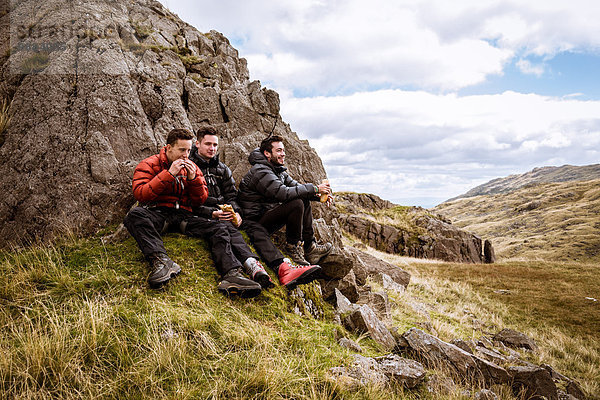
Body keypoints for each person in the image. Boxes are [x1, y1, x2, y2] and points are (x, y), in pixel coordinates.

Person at [124, 128, 262, 298]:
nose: (186, 155)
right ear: (168, 148)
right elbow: (141, 194)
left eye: (189, 150)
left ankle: (232, 274)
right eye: (182, 150)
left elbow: (199, 200)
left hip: (184, 216)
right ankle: (161, 262)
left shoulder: (193, 168)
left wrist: (193, 180)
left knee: (219, 229)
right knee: (134, 216)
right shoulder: (149, 164)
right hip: (157, 213)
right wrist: (169, 174)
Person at [238, 134, 333, 289]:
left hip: (267, 215)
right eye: (279, 151)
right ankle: (293, 246)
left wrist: (319, 195)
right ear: (267, 154)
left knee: (302, 198)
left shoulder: (277, 170)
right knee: (296, 203)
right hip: (254, 221)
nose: (283, 154)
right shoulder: (261, 171)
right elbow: (282, 193)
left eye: (283, 150)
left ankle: (310, 247)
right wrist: (315, 187)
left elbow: (296, 187)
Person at [188, 126, 273, 289]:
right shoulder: (190, 166)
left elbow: (231, 195)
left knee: (235, 230)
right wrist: (212, 213)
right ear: (197, 144)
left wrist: (237, 212)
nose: (212, 148)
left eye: (215, 145)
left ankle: (253, 265)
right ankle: (238, 271)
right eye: (208, 144)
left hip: (223, 213)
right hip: (202, 214)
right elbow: (188, 200)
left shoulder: (222, 169)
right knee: (224, 230)